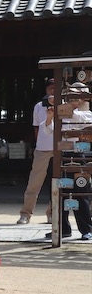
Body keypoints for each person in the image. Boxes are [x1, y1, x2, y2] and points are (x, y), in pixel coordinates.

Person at [50, 82, 92, 240]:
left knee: (80, 193)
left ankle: (86, 229)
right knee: (60, 193)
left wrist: (63, 107)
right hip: (62, 154)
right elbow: (49, 129)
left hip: (79, 155)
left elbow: (81, 119)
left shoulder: (86, 113)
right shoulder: (60, 110)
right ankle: (62, 229)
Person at [17, 79, 58, 224]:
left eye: (55, 88)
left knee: (58, 182)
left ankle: (53, 212)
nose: (53, 91)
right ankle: (26, 213)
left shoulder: (66, 106)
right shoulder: (39, 106)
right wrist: (37, 144)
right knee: (34, 182)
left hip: (60, 148)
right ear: (46, 90)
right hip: (42, 148)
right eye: (50, 88)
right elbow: (36, 128)